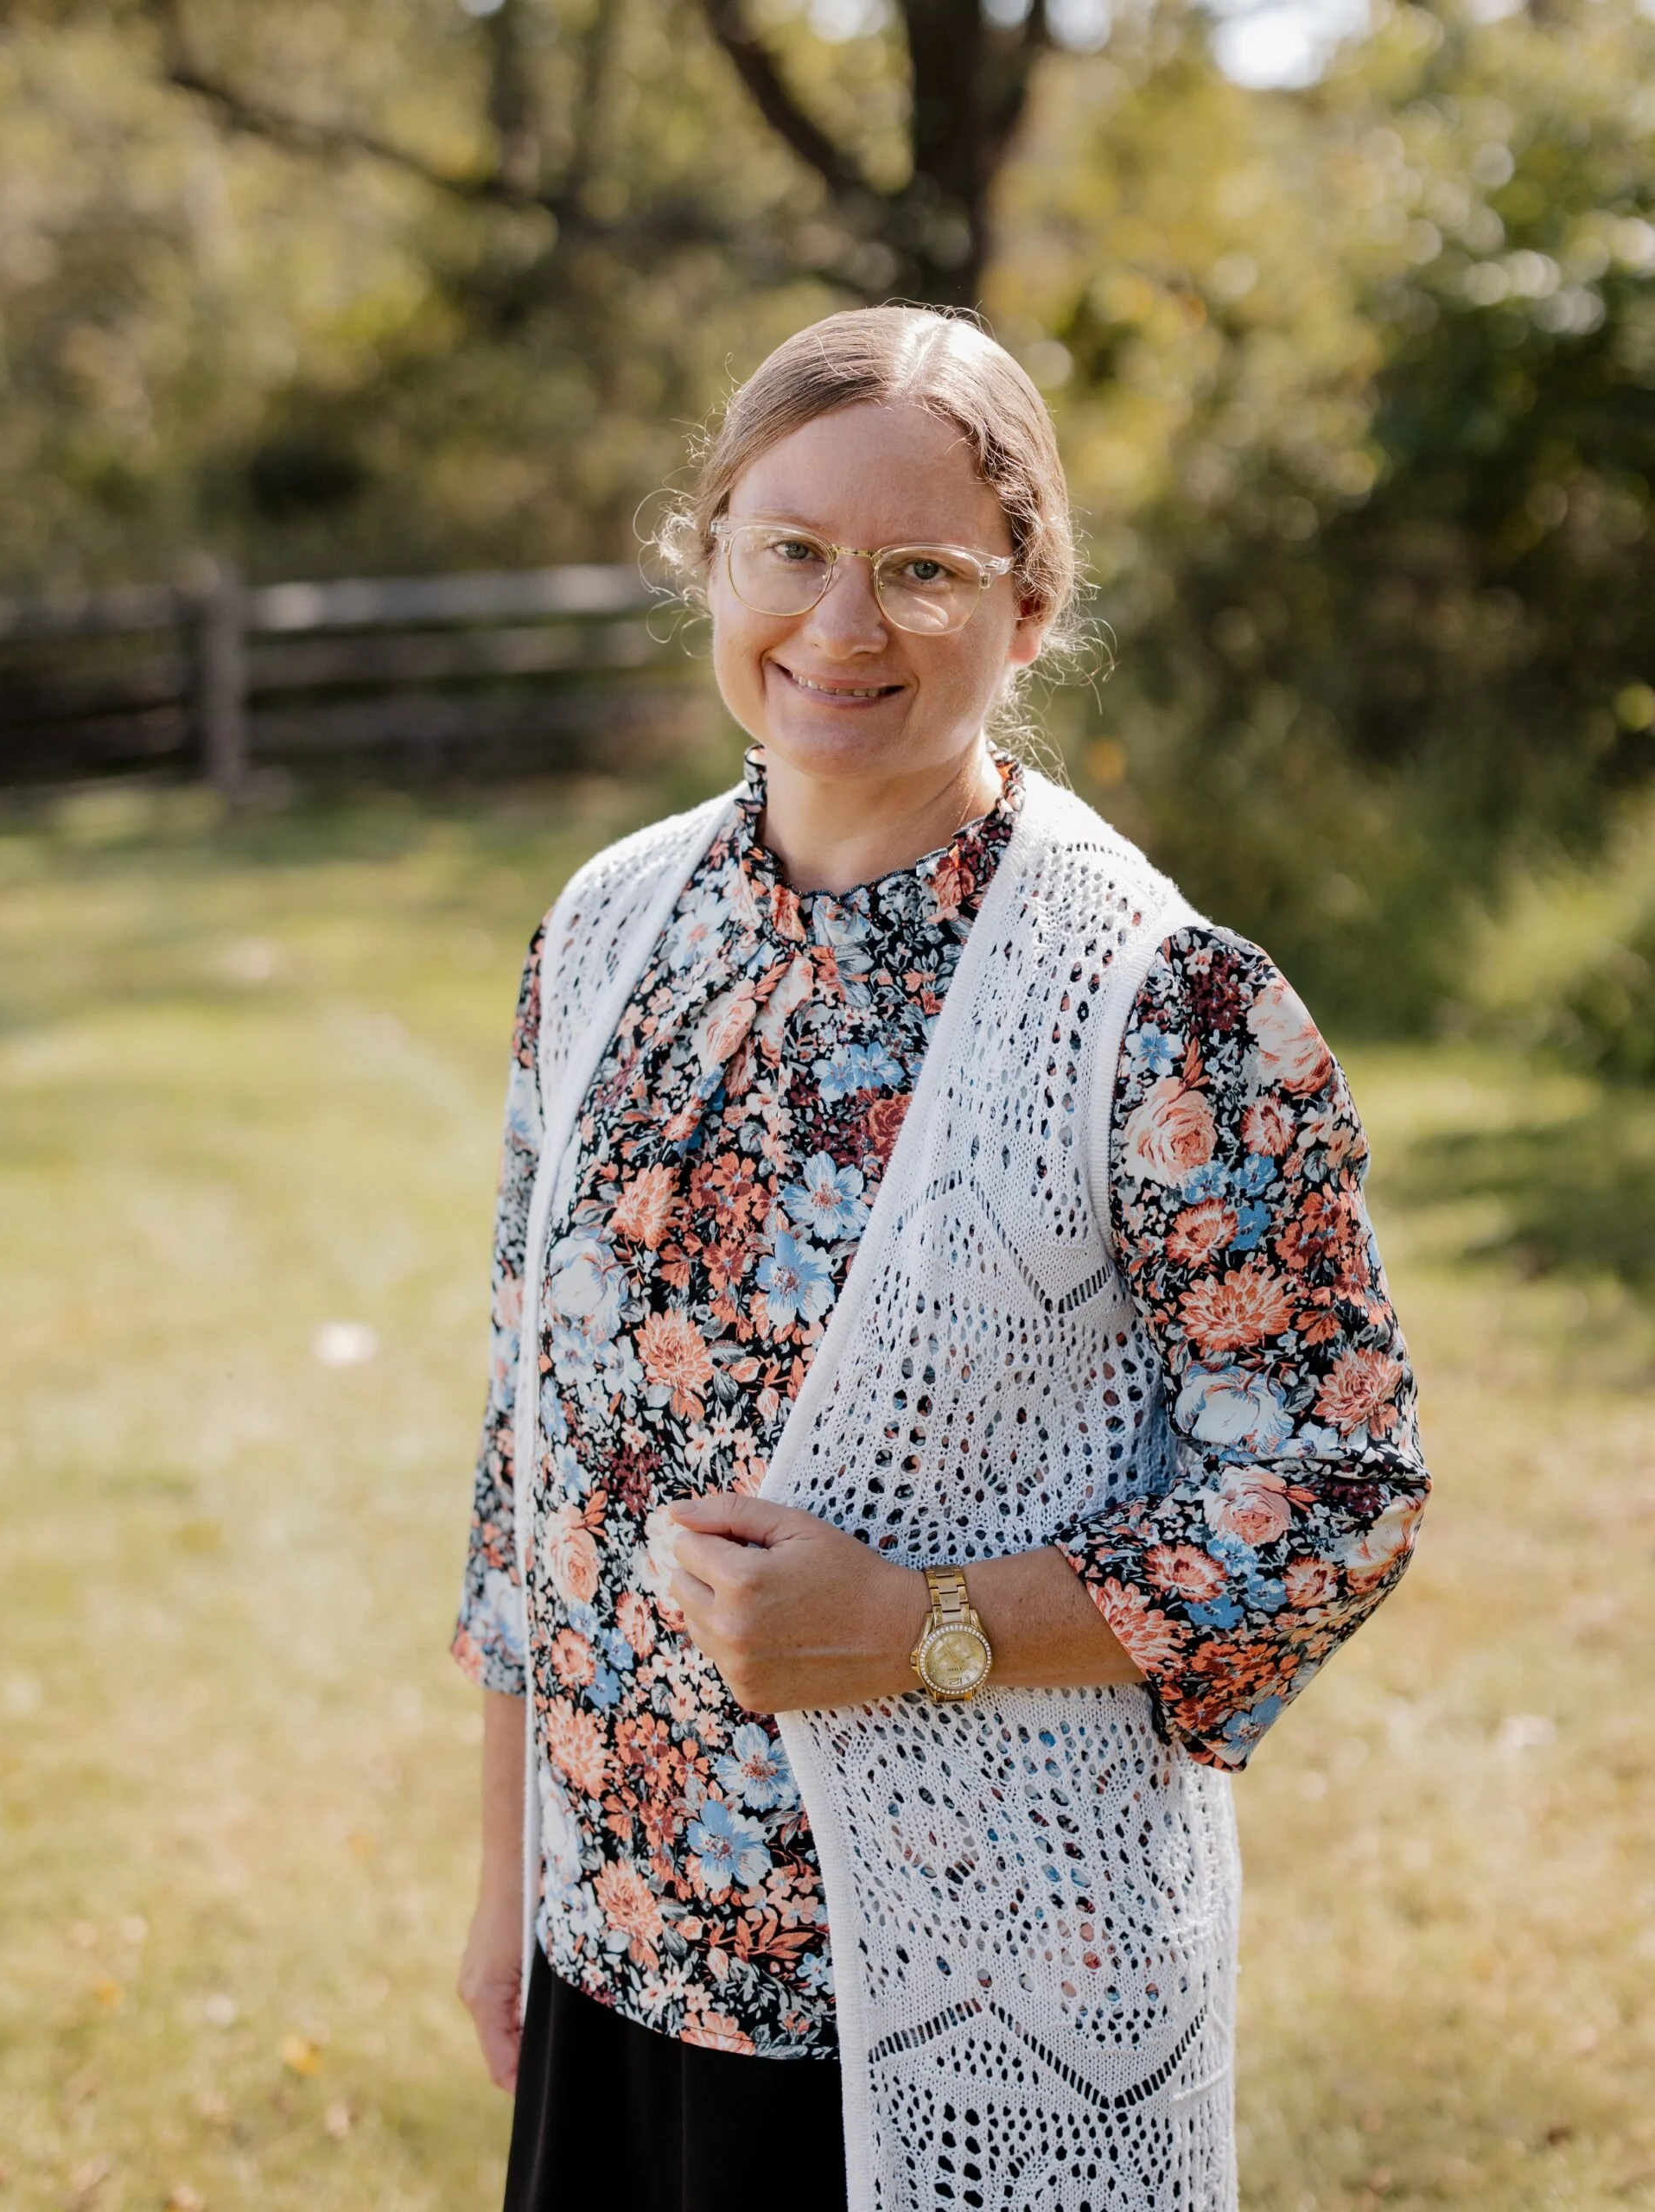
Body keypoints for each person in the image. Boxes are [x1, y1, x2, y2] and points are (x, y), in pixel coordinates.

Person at [450, 305, 1430, 2212]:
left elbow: (1336, 1492)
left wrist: (918, 1624)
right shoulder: (602, 927)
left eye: (923, 572)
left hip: (970, 2008)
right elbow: (527, 1465)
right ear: (712, 550)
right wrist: (516, 1882)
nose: (840, 626)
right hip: (622, 1954)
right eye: (792, 550)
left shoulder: (1163, 1004)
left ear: (1030, 610)